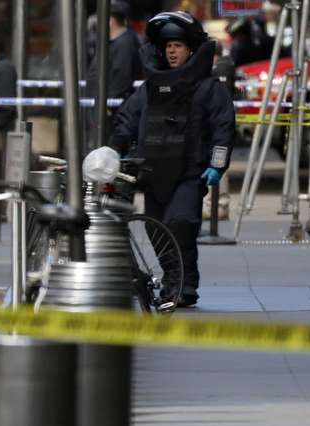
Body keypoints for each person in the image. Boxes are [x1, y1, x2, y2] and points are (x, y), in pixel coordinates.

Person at [109, 11, 236, 307]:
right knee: (155, 228)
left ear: (191, 48)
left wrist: (217, 165)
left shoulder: (208, 88)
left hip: (190, 173)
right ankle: (173, 280)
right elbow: (126, 120)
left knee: (180, 223)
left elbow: (223, 128)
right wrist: (114, 149)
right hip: (153, 174)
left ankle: (184, 285)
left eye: (178, 45)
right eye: (167, 46)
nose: (171, 51)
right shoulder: (150, 90)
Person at [86, 1, 143, 148]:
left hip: (112, 110)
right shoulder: (114, 42)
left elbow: (121, 76)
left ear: (109, 21)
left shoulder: (125, 43)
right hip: (103, 106)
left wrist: (108, 105)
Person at [203, 41, 235, 220]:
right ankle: (214, 206)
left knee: (218, 166)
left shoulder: (221, 68)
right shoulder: (223, 66)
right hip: (216, 128)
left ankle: (218, 207)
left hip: (217, 129)